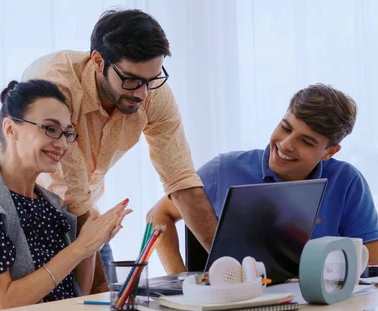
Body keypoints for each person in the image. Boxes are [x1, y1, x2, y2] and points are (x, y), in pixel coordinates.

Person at [22, 9, 218, 292]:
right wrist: (102, 288)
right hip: (33, 223)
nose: (141, 93)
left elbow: (181, 181)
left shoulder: (150, 89)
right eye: (130, 79)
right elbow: (71, 196)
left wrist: (230, 267)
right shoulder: (57, 87)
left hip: (87, 216)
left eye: (150, 80)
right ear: (98, 61)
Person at [0, 79, 132, 311]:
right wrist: (80, 247)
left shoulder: (52, 204)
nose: (61, 144)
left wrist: (91, 245)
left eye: (67, 133)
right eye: (50, 129)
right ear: (10, 129)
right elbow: (3, 305)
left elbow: (73, 294)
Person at [148, 83, 378, 274]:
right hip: (237, 306)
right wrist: (180, 278)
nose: (286, 144)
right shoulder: (224, 169)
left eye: (306, 142)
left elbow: (371, 260)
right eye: (286, 128)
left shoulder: (347, 181)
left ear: (330, 152)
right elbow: (159, 214)